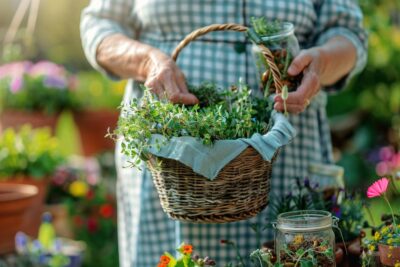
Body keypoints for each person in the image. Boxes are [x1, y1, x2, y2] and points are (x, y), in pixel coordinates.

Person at [80, 1, 367, 266]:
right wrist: (147, 61)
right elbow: (100, 25)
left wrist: (323, 61)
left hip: (287, 147)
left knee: (291, 251)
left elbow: (348, 32)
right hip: (172, 157)